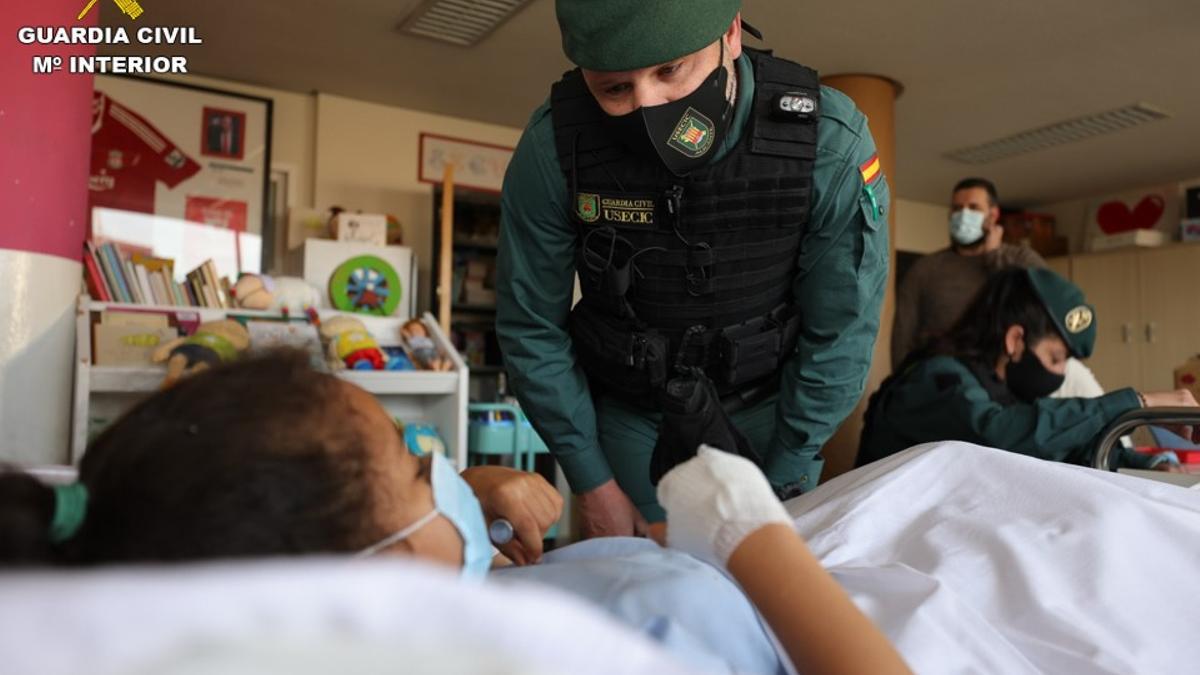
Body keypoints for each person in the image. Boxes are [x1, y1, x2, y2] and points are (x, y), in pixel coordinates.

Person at [0, 353, 910, 675]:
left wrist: (473, 508)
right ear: (374, 580)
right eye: (412, 457)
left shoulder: (470, 577)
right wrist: (756, 536)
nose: (446, 467)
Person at [496, 0, 890, 537]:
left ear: (730, 34)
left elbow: (841, 329)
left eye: (670, 71)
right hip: (634, 415)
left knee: (766, 599)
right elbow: (531, 327)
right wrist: (592, 481)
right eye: (615, 89)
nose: (646, 104)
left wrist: (789, 470)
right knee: (639, 593)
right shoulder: (553, 148)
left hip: (772, 414)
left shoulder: (827, 141)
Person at [859, 267, 1196, 468]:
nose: (1061, 373)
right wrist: (1139, 403)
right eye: (1055, 358)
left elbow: (1059, 452)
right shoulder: (937, 378)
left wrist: (1147, 464)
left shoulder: (999, 389)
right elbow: (1001, 435)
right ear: (1015, 340)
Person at [890, 177, 1046, 369]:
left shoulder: (1022, 259)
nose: (964, 215)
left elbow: (1044, 312)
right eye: (957, 208)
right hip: (940, 381)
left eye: (974, 208)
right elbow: (902, 336)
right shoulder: (925, 269)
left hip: (1009, 381)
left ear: (993, 214)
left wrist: (994, 257)